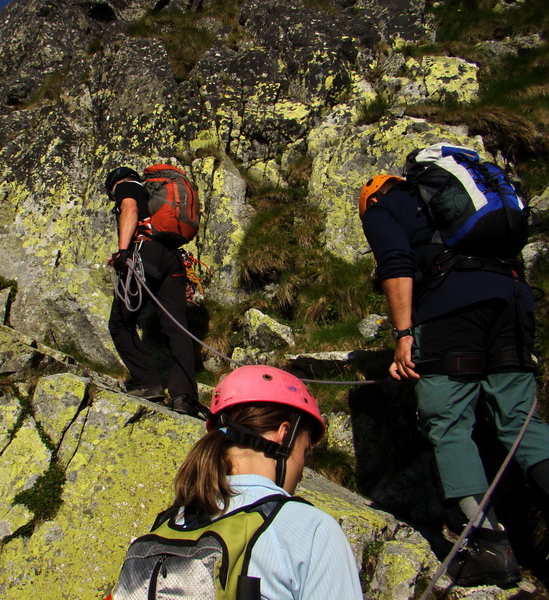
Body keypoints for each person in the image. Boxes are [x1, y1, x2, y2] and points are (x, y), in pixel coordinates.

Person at [359, 173, 549, 592]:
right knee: (520, 419)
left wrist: (403, 333)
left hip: (451, 309)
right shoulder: (461, 209)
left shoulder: (382, 204)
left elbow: (395, 261)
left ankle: (487, 547)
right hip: (512, 298)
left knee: (448, 422)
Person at [110, 365, 363, 599]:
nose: (301, 470)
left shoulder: (169, 522)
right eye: (304, 452)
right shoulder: (312, 529)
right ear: (283, 436)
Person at [105, 166, 199, 415]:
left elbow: (130, 209)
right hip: (172, 260)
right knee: (176, 328)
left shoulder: (127, 187)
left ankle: (148, 383)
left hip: (144, 254)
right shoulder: (153, 193)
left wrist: (123, 252)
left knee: (120, 324)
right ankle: (183, 397)